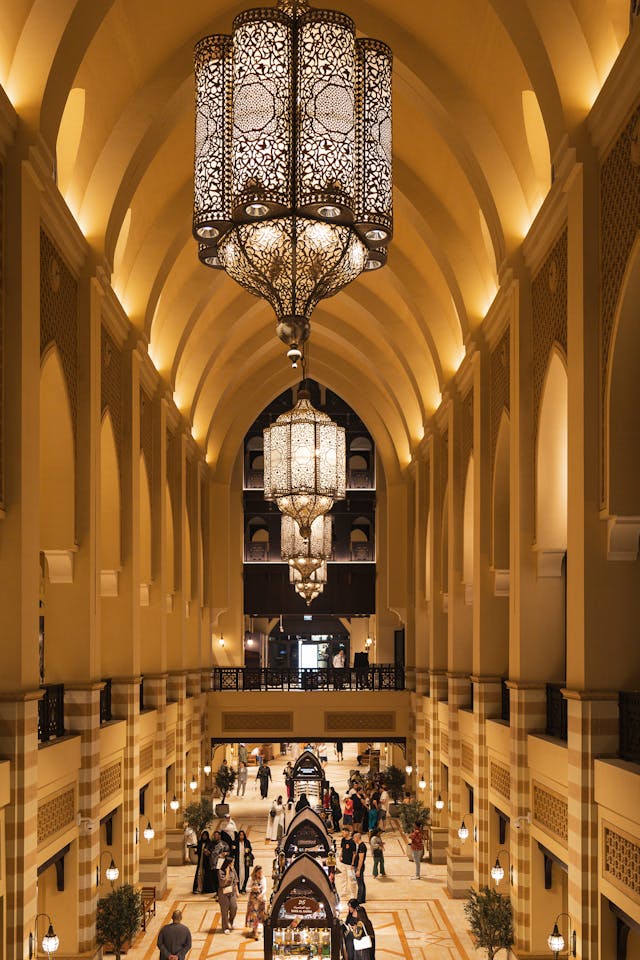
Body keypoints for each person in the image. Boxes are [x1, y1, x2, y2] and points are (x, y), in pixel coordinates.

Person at [244, 864, 267, 939]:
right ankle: (255, 931)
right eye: (259, 872)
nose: (260, 874)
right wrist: (252, 889)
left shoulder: (263, 878)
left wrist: (261, 894)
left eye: (261, 872)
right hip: (253, 900)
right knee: (254, 915)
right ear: (255, 872)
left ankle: (256, 930)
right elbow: (247, 888)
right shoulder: (251, 878)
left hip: (260, 900)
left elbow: (264, 888)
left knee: (260, 915)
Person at [217, 855, 239, 933]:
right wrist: (226, 873)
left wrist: (237, 891)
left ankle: (231, 921)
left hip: (232, 892)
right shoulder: (220, 871)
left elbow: (235, 880)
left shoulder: (232, 869)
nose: (233, 864)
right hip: (223, 894)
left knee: (234, 907)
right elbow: (223, 883)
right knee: (224, 911)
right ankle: (225, 927)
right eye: (232, 862)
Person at [192, 829, 215, 894]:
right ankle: (198, 888)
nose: (204, 837)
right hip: (200, 861)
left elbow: (211, 852)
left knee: (205, 875)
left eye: (205, 836)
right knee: (199, 875)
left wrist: (208, 852)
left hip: (206, 862)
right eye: (203, 835)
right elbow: (198, 850)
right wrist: (196, 851)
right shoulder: (200, 842)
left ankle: (205, 889)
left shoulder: (209, 843)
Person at [339, 827, 357, 903]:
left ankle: (353, 894)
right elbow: (342, 849)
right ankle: (344, 891)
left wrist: (353, 863)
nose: (342, 834)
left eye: (343, 832)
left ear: (347, 832)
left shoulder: (352, 842)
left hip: (350, 864)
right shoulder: (343, 840)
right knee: (343, 878)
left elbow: (354, 854)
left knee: (352, 879)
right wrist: (340, 855)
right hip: (343, 863)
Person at [234, 829, 253, 894]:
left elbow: (250, 849)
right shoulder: (236, 842)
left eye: (242, 835)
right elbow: (233, 851)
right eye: (240, 835)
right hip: (238, 861)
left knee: (245, 874)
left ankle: (244, 888)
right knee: (238, 874)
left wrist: (248, 850)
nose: (241, 836)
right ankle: (239, 888)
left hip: (245, 861)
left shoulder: (247, 842)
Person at [353, 830, 367, 904]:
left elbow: (361, 859)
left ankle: (359, 899)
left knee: (360, 883)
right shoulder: (361, 846)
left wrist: (358, 870)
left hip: (360, 867)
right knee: (361, 882)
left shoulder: (362, 846)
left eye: (354, 838)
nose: (353, 839)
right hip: (359, 867)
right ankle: (363, 898)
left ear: (357, 837)